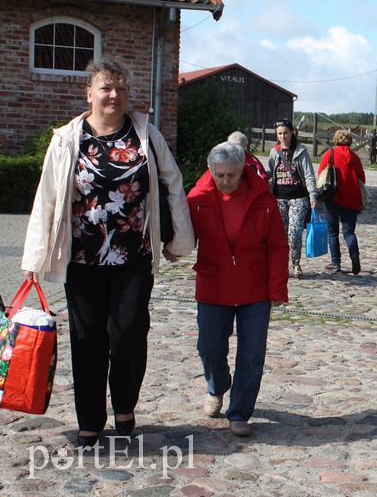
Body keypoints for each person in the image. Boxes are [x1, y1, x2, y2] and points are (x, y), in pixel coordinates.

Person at [20, 57, 195, 447]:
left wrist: (179, 239)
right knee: (87, 339)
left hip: (133, 257)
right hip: (81, 258)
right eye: (105, 88)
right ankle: (90, 419)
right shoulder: (67, 139)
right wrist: (35, 258)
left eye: (120, 89)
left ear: (128, 95)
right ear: (89, 95)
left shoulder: (146, 135)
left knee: (130, 331)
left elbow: (172, 183)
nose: (113, 95)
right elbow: (46, 197)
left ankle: (125, 404)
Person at [187, 141, 289, 437]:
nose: (225, 181)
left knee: (252, 352)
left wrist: (277, 288)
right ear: (211, 170)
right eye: (219, 175)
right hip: (213, 283)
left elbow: (277, 246)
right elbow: (182, 234)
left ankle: (240, 412)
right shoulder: (197, 198)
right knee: (209, 346)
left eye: (231, 175)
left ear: (242, 170)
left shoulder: (263, 199)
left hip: (254, 286)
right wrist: (170, 247)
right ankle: (217, 385)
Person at [265, 118, 317, 278]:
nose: (282, 136)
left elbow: (308, 174)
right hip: (279, 198)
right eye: (279, 134)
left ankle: (296, 264)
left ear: (291, 132)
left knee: (294, 232)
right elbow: (270, 172)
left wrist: (313, 195)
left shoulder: (300, 151)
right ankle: (281, 265)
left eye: (285, 133)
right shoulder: (275, 152)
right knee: (280, 234)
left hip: (298, 198)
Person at [317, 130, 366, 274]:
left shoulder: (329, 154)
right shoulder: (355, 157)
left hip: (332, 197)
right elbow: (362, 178)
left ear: (336, 139)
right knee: (349, 232)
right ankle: (354, 256)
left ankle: (336, 263)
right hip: (351, 199)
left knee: (332, 231)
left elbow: (321, 175)